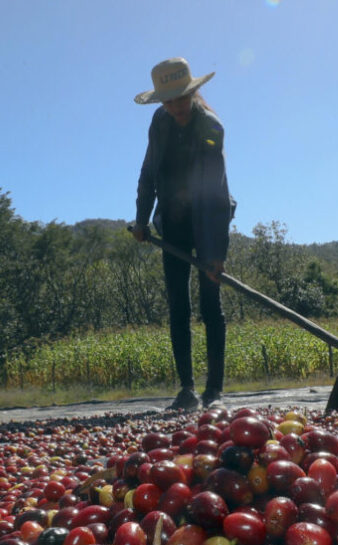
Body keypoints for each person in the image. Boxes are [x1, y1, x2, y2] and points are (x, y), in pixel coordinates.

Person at [131, 57, 235, 411]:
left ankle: (215, 393)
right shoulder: (159, 123)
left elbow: (215, 194)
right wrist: (142, 219)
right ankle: (187, 390)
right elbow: (148, 172)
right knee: (178, 304)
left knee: (211, 303)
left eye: (180, 98)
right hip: (172, 223)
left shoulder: (211, 127)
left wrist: (214, 254)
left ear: (192, 93)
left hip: (208, 220)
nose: (174, 106)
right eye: (168, 100)